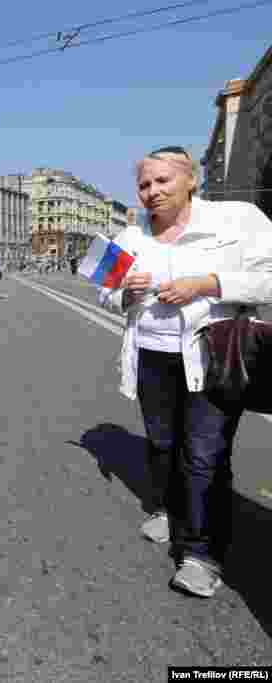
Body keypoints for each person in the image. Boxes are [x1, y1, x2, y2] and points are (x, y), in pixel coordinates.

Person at [98, 145, 272, 598]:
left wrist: (208, 284)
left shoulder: (238, 218)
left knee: (204, 455)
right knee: (162, 443)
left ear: (191, 179)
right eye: (144, 184)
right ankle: (170, 509)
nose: (152, 192)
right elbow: (106, 293)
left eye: (162, 181)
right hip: (152, 356)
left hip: (213, 354)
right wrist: (126, 295)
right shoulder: (129, 237)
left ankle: (201, 553)